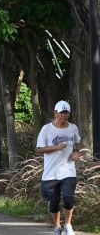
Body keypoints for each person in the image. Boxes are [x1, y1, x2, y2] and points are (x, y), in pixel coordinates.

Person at [36, 100, 82, 235]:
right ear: (55, 113)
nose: (64, 115)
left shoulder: (73, 128)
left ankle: (68, 224)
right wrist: (56, 147)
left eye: (66, 113)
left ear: (69, 113)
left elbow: (78, 143)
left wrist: (76, 153)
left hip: (68, 171)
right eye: (61, 113)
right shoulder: (46, 129)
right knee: (54, 202)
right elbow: (39, 149)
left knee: (68, 197)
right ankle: (57, 227)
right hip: (51, 174)